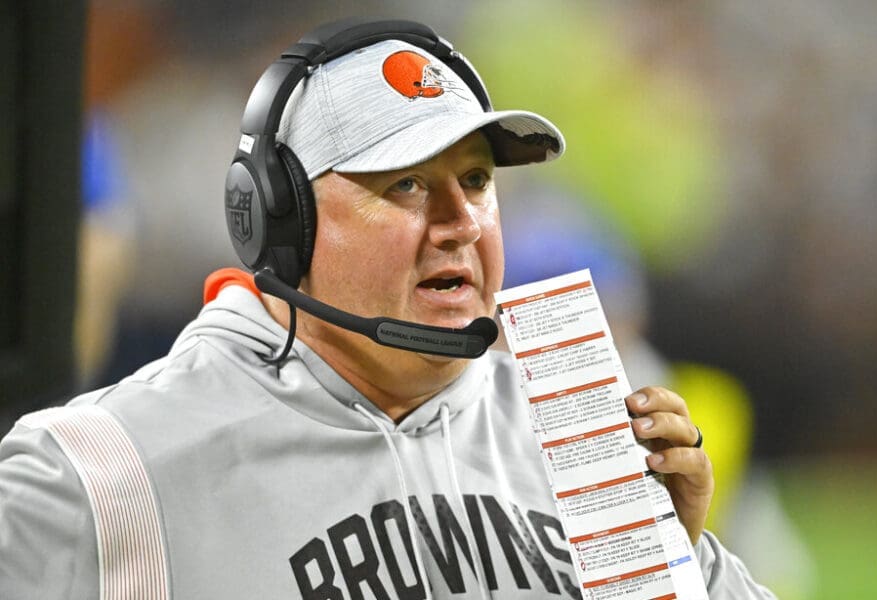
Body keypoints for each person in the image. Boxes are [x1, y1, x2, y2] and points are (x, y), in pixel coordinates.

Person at [0, 19, 774, 599]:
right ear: (280, 220)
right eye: (405, 184)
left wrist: (677, 563)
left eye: (475, 182)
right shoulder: (100, 470)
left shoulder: (578, 431)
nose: (461, 222)